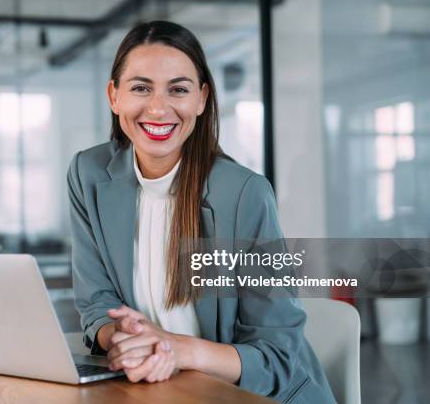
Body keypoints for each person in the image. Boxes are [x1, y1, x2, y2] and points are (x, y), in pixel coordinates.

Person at [67, 21, 335, 403]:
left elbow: (276, 359)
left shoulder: (245, 194)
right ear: (114, 96)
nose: (158, 108)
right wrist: (123, 337)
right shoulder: (88, 174)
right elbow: (96, 303)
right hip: (161, 390)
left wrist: (179, 349)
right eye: (140, 88)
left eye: (178, 89)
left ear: (201, 99)